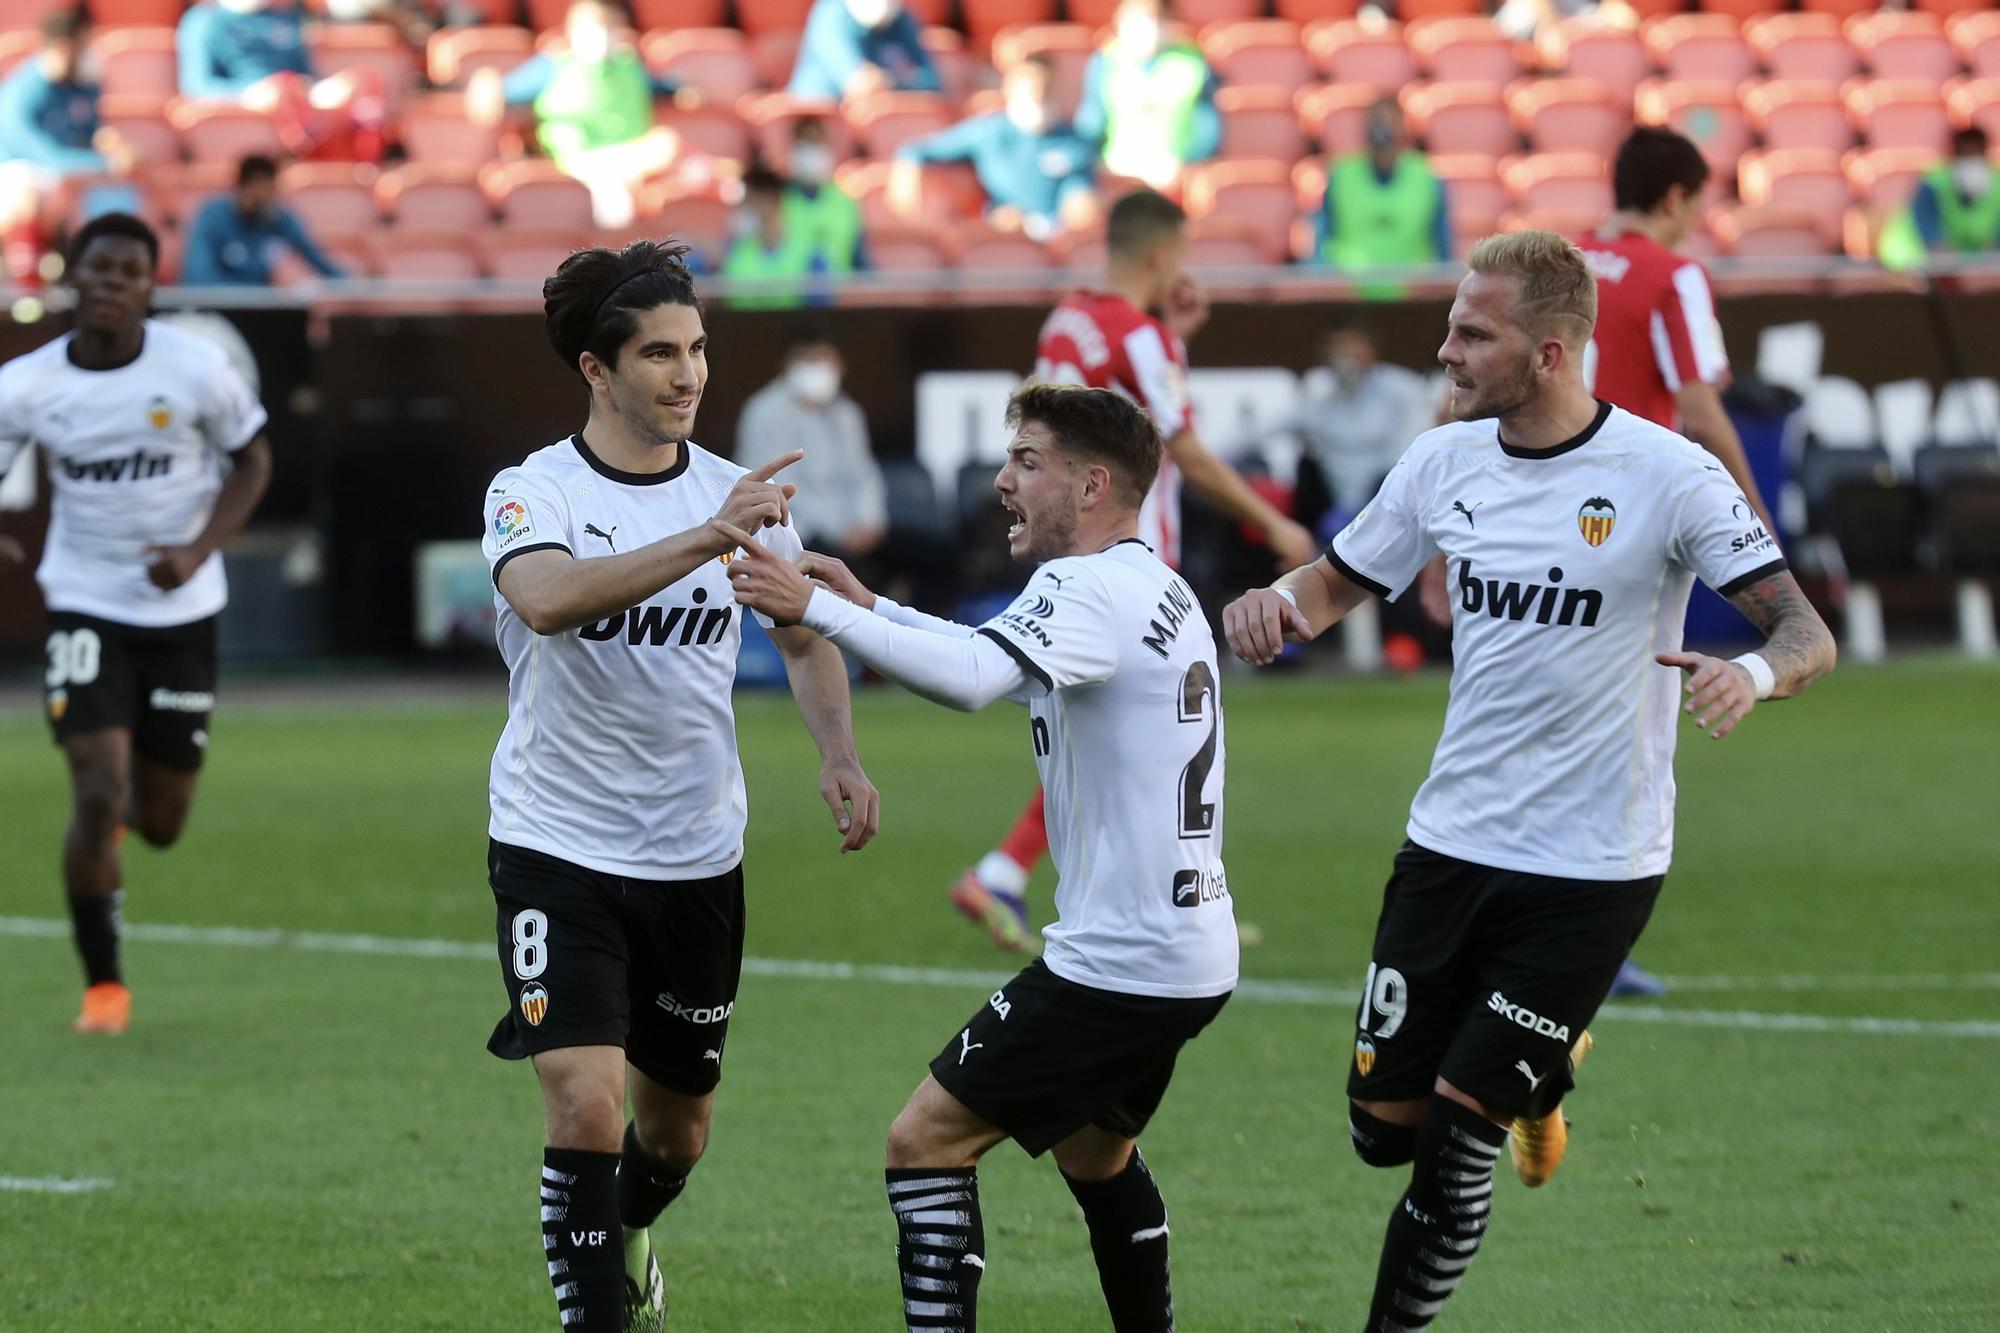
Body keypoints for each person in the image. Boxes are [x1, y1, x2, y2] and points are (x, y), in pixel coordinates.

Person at [1221, 230, 1836, 1331]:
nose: (1445, 351)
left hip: (1593, 865)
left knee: (1455, 1138)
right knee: (1381, 1128)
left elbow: (1802, 628)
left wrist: (1747, 672)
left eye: (1471, 332)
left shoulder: (1664, 474)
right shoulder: (1439, 461)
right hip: (1449, 842)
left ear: (1549, 353)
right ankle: (1547, 1072)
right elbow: (1326, 586)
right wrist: (1271, 604)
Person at [720, 382, 1236, 1333]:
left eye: (1026, 462)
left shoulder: (1083, 587)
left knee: (923, 1141)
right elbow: (990, 655)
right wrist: (874, 606)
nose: (1001, 481)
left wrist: (815, 611)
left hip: (1119, 961)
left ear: (1090, 485)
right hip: (1187, 949)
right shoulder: (1152, 584)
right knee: (1094, 1154)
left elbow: (969, 680)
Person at [481, 237, 879, 1332]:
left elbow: (800, 637)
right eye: (659, 353)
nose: (688, 374)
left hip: (695, 853)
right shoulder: (534, 491)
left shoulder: (738, 498)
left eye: (697, 349)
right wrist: (706, 534)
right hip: (555, 844)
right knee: (584, 1100)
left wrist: (836, 753)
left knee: (675, 1134)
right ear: (597, 371)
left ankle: (635, 1233)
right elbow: (550, 598)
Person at [950, 187, 1316, 952]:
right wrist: (1276, 522)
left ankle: (1018, 874)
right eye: (1180, 256)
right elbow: (1185, 451)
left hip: (1070, 548)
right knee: (1169, 728)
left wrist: (1172, 334)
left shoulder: (1071, 316)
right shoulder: (1138, 335)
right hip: (1134, 557)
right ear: (1159, 255)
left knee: (1094, 733)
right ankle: (1157, 891)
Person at [0, 213, 273, 1037]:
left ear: (151, 287)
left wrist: (194, 551)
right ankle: (105, 989)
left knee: (159, 823)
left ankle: (119, 816)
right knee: (93, 788)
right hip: (84, 600)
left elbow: (254, 460)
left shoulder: (196, 371)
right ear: (72, 278)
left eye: (129, 271)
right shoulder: (27, 384)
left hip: (183, 611)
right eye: (99, 268)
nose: (112, 283)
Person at [1578, 127, 1774, 535]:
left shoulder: (1557, 259)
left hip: (1545, 489)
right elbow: (1700, 414)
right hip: (1628, 501)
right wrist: (1753, 514)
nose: (1691, 225)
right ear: (1674, 199)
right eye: (1694, 208)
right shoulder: (1674, 275)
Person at [467, 0, 699, 229]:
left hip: (628, 156)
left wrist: (683, 90)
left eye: (610, 28)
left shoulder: (631, 66)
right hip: (577, 158)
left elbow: (666, 88)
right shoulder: (554, 65)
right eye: (594, 27)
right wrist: (487, 86)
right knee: (613, 197)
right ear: (573, 31)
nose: (602, 36)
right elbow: (505, 92)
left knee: (669, 145)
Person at [1252, 319, 1433, 539]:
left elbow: (1406, 452)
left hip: (1383, 499)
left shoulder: (1400, 389)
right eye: (1337, 347)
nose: (1345, 354)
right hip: (1330, 505)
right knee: (1305, 467)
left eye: (1352, 345)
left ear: (1370, 350)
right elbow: (1264, 428)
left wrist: (1360, 506)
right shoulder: (1317, 393)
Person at [892, 52, 1098, 241]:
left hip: (1055, 240)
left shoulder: (1076, 142)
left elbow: (1078, 195)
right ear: (1010, 89)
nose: (1038, 95)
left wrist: (1076, 214)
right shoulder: (989, 131)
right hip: (1001, 238)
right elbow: (919, 150)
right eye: (1031, 88)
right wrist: (908, 171)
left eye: (1045, 87)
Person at [734, 326, 886, 571]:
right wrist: (839, 532)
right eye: (808, 359)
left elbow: (863, 475)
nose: (818, 367)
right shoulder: (764, 413)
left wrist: (867, 521)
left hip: (853, 533)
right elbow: (774, 488)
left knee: (930, 554)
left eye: (824, 358)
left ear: (840, 365)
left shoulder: (848, 413)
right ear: (788, 365)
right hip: (798, 531)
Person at [176, 0, 386, 162]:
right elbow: (196, 87)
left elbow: (308, 78)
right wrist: (251, 94)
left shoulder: (286, 16)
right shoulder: (203, 19)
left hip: (296, 99)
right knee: (284, 92)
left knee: (362, 84)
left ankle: (356, 176)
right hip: (246, 107)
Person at [1074, 0, 1219, 191]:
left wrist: (1188, 163)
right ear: (1121, 20)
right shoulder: (1105, 62)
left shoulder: (1193, 62)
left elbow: (1207, 128)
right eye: (1141, 17)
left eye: (1158, 18)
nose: (1150, 26)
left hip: (1175, 176)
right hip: (1118, 173)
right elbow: (1091, 124)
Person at [1315, 97, 1451, 272]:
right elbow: (1321, 244)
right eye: (1376, 123)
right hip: (1350, 293)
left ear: (1403, 131)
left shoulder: (1427, 178)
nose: (1383, 133)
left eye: (1390, 124)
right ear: (1364, 131)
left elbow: (1443, 248)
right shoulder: (1340, 177)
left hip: (1413, 293)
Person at [0, 10, 137, 182]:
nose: (90, 53)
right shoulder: (22, 95)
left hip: (73, 175)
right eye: (84, 45)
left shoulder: (85, 85)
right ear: (65, 47)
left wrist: (110, 145)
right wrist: (107, 164)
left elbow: (89, 133)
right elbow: (45, 158)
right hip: (21, 175)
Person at [179, 154, 345, 286]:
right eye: (257, 190)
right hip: (217, 310)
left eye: (269, 190)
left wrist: (351, 282)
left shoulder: (280, 218)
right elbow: (197, 277)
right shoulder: (212, 216)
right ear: (240, 187)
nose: (263, 198)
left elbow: (317, 260)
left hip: (260, 312)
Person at [1880, 125, 2000, 269]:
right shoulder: (1933, 183)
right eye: (1965, 154)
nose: (1972, 159)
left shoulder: (1996, 183)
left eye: (1976, 153)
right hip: (1910, 263)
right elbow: (1936, 247)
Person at [721, 166, 830, 309]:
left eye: (749, 201)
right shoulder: (735, 252)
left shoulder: (812, 255)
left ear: (770, 200)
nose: (743, 209)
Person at [789, 0, 940, 101]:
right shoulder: (831, 15)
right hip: (821, 124)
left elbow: (932, 82)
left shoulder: (901, 19)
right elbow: (861, 84)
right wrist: (902, 79)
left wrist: (890, 81)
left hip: (878, 125)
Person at [783, 117, 864, 274]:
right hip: (789, 295)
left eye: (815, 143)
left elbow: (859, 259)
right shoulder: (779, 201)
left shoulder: (846, 202)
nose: (809, 152)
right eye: (803, 144)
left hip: (838, 293)